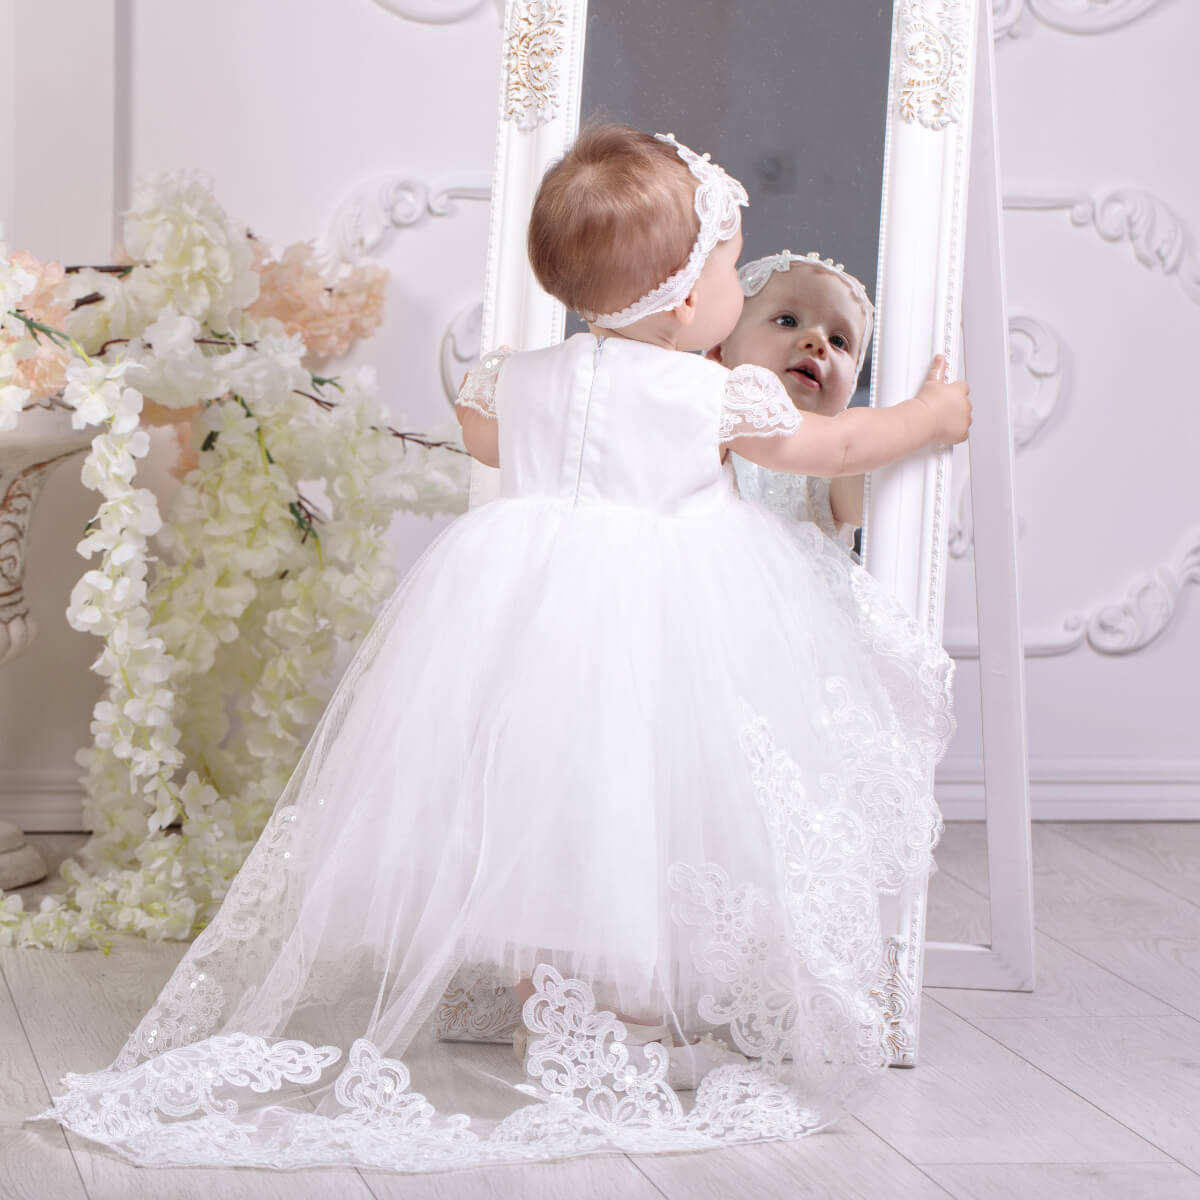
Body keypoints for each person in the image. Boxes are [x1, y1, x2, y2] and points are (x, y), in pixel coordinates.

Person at [35, 124, 969, 1173]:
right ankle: (628, 1023)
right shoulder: (712, 394)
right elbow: (834, 445)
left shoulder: (517, 377)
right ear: (681, 301)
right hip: (665, 620)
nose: (731, 291)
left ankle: (543, 1005)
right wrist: (931, 415)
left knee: (549, 801)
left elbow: (486, 439)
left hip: (527, 613)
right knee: (641, 801)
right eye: (725, 269)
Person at [709, 250, 875, 545]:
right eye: (787, 321)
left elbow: (875, 491)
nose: (818, 342)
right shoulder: (703, 423)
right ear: (719, 351)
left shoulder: (826, 465)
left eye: (839, 341)